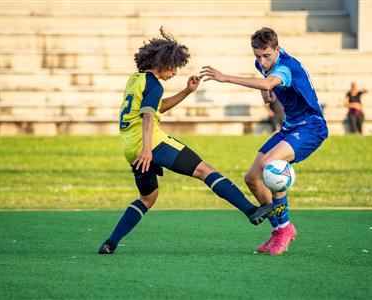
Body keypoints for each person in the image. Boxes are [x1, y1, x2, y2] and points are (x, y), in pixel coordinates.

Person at [98, 28, 283, 254]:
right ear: (161, 62)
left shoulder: (136, 79)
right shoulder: (155, 85)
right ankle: (251, 211)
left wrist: (186, 91)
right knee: (205, 170)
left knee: (148, 197)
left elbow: (157, 107)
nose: (175, 71)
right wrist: (148, 150)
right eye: (173, 66)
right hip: (152, 144)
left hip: (130, 147)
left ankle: (111, 242)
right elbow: (148, 116)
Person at [201, 27, 328, 255]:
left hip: (311, 127)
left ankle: (286, 229)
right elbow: (270, 85)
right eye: (257, 56)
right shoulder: (264, 63)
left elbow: (271, 83)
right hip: (290, 127)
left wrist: (226, 78)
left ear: (277, 49)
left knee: (272, 166)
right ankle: (280, 229)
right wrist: (268, 94)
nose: (262, 60)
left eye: (266, 55)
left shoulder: (286, 66)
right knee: (252, 178)